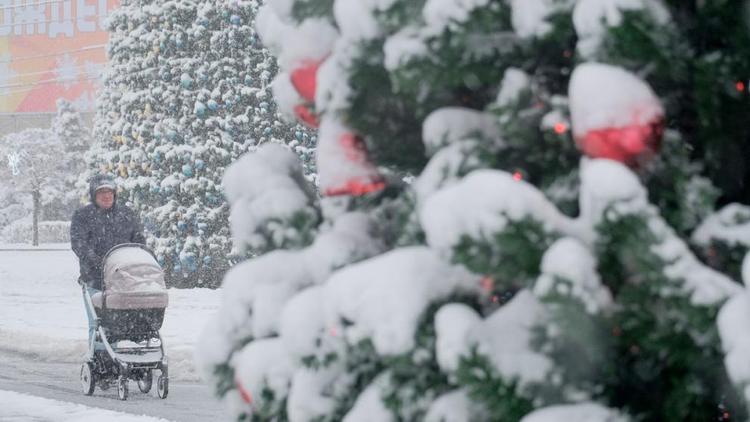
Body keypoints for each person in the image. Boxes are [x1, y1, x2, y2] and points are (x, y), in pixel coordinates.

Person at [70, 174, 146, 349]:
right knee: (98, 323)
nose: (106, 196)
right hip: (95, 278)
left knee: (122, 323)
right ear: (94, 195)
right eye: (101, 192)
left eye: (110, 192)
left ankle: (119, 356)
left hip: (124, 279)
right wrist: (99, 263)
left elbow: (139, 241)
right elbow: (79, 244)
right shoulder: (83, 216)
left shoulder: (126, 214)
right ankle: (99, 360)